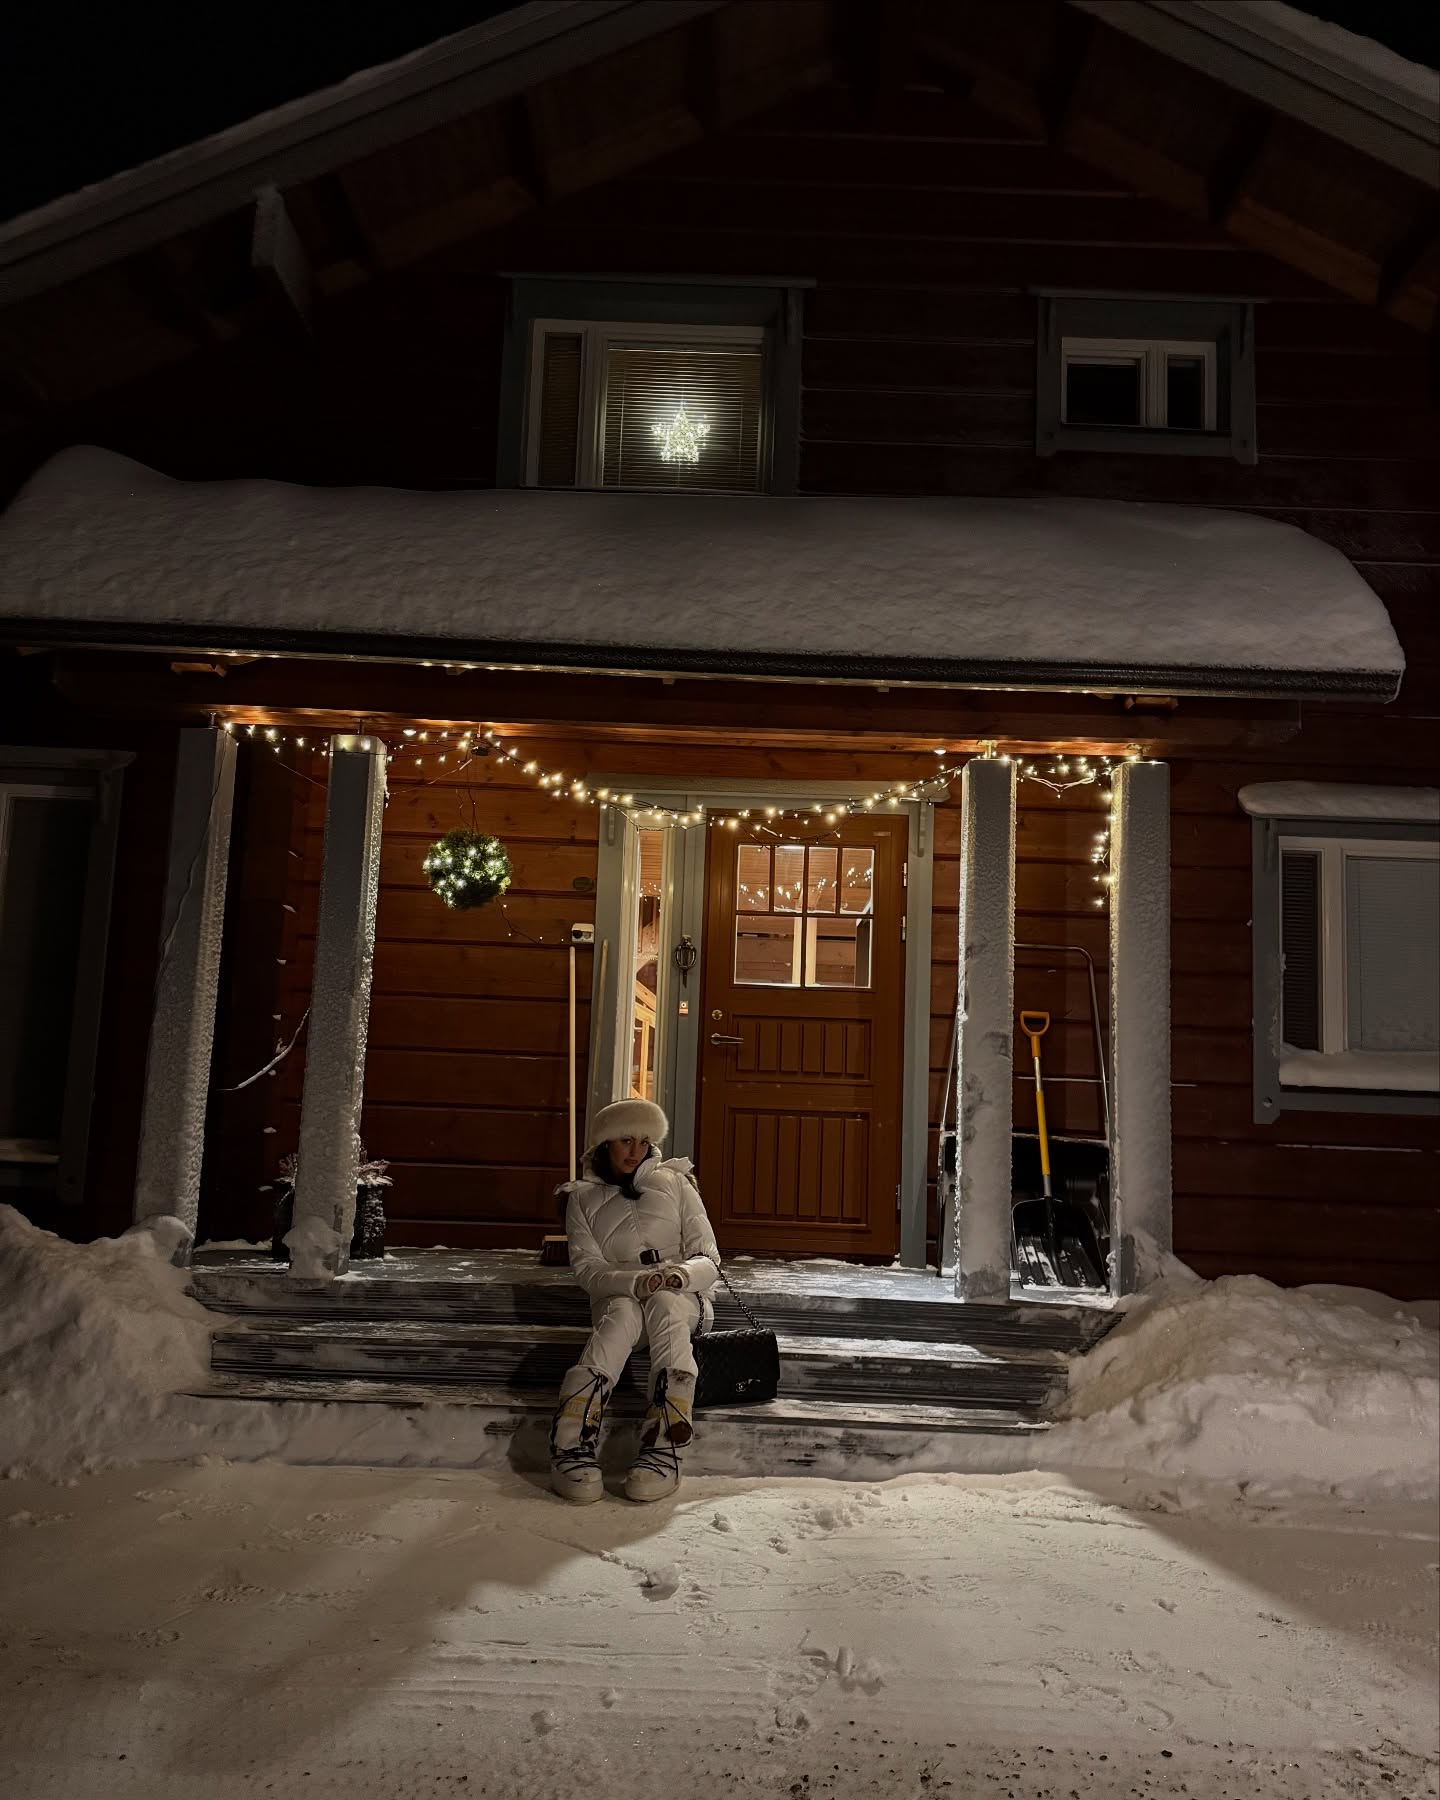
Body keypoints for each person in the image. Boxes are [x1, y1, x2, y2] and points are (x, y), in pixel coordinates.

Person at [550, 1098, 719, 1504]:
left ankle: (665, 1445)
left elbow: (709, 1259)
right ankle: (570, 1443)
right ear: (606, 1142)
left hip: (682, 1302)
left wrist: (678, 1275)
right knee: (625, 1309)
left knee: (664, 1303)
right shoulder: (581, 1198)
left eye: (644, 1141)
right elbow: (588, 1271)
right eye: (626, 1140)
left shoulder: (676, 1183)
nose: (635, 1151)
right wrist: (635, 1282)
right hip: (620, 1303)